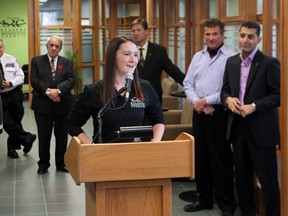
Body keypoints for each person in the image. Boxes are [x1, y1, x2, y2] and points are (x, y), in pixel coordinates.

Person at [221, 21, 280, 216]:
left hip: (262, 132)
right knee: (243, 179)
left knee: (268, 181)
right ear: (238, 36)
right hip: (238, 129)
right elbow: (225, 91)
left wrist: (254, 106)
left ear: (259, 39)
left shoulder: (269, 63)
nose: (245, 40)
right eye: (242, 35)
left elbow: (277, 96)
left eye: (250, 36)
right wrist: (228, 99)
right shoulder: (231, 62)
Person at [66, 35, 165, 144]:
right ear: (113, 57)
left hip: (136, 154)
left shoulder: (145, 87)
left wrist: (154, 143)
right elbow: (72, 124)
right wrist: (90, 146)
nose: (133, 60)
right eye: (127, 54)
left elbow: (159, 121)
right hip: (104, 155)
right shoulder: (94, 91)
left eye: (136, 55)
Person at [183, 19, 236, 216]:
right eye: (207, 34)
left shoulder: (232, 57)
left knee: (221, 160)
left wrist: (206, 101)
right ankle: (204, 199)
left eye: (215, 34)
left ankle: (227, 205)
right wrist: (198, 102)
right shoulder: (198, 56)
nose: (211, 38)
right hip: (200, 115)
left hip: (220, 114)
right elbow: (187, 83)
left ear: (223, 35)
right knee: (201, 158)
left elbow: (230, 89)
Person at [30, 36, 75, 174]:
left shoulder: (66, 62)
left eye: (57, 46)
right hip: (43, 105)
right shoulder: (37, 61)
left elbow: (71, 79)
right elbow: (34, 80)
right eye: (51, 45)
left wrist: (59, 91)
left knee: (62, 136)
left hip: (62, 105)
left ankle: (61, 164)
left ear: (60, 48)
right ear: (47, 46)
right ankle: (43, 164)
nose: (54, 48)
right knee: (44, 136)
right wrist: (50, 92)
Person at [131, 18, 185, 104]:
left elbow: (173, 71)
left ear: (146, 31)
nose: (135, 33)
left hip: (153, 98)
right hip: (133, 98)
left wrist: (190, 85)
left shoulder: (158, 51)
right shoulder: (128, 51)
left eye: (138, 30)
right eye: (133, 31)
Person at [0, 38, 36, 159]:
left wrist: (10, 83)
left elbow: (21, 76)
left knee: (16, 120)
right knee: (6, 123)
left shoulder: (11, 59)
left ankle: (12, 149)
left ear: (3, 47)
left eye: (0, 47)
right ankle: (28, 138)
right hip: (1, 97)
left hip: (14, 93)